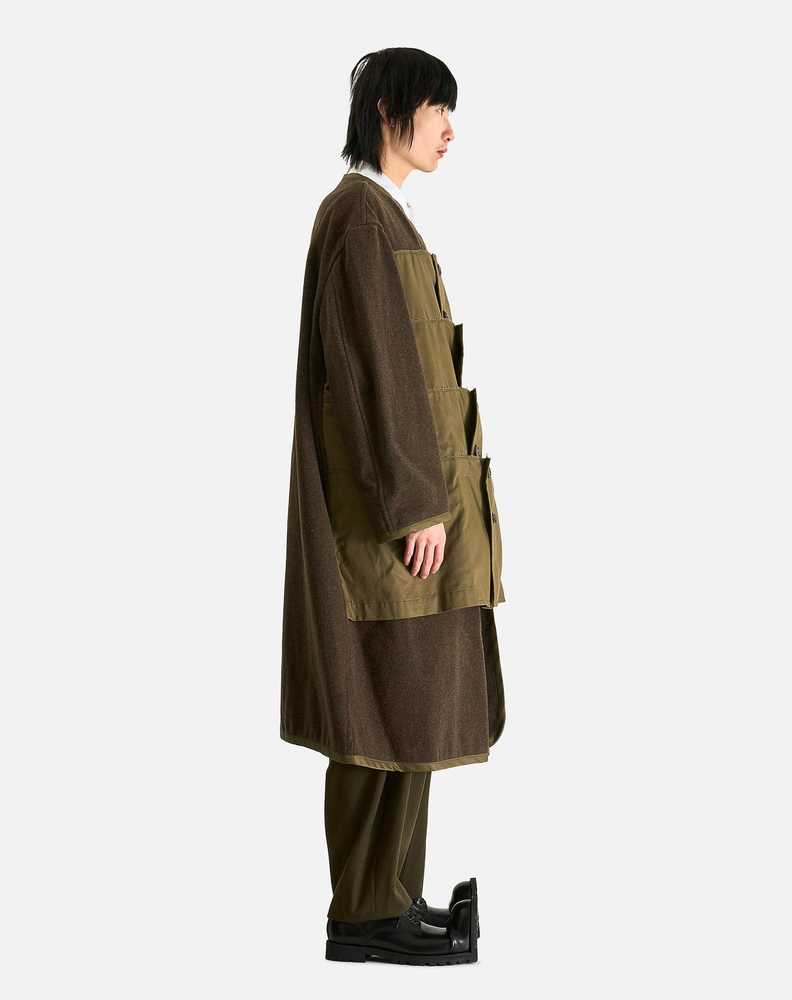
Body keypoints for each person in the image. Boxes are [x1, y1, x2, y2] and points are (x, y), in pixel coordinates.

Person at [280, 46, 507, 966]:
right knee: (381, 702)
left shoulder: (384, 215)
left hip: (414, 516)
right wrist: (415, 504)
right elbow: (375, 371)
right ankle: (367, 912)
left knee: (408, 703)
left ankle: (392, 898)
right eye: (436, 108)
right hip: (390, 523)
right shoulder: (359, 216)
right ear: (387, 111)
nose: (450, 129)